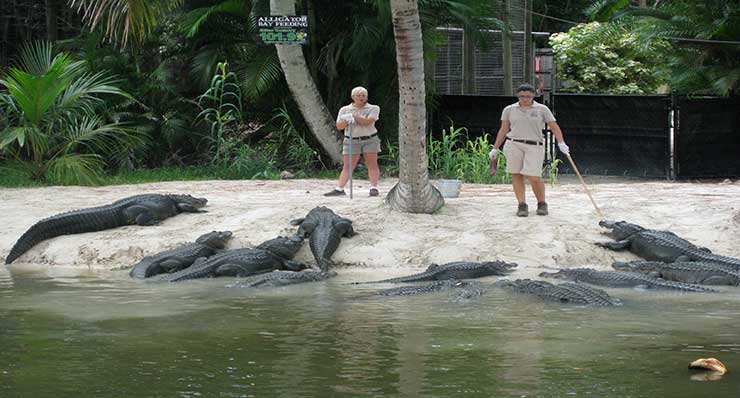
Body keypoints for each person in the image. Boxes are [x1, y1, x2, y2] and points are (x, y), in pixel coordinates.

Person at [489, 83, 570, 217]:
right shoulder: (509, 109)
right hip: (513, 144)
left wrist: (561, 143)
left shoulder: (542, 109)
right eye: (522, 96)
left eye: (528, 96)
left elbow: (554, 126)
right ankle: (522, 205)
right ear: (518, 96)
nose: (525, 99)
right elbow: (503, 129)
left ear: (533, 95)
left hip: (534, 145)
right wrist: (495, 148)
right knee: (516, 174)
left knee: (534, 176)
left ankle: (542, 203)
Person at [324, 86, 382, 197]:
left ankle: (373, 188)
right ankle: (340, 188)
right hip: (351, 140)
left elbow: (368, 122)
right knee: (348, 165)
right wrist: (347, 120)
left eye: (364, 95)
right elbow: (339, 126)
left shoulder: (373, 108)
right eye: (359, 95)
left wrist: (354, 117)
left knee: (372, 163)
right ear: (353, 97)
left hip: (369, 139)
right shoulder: (345, 109)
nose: (361, 98)